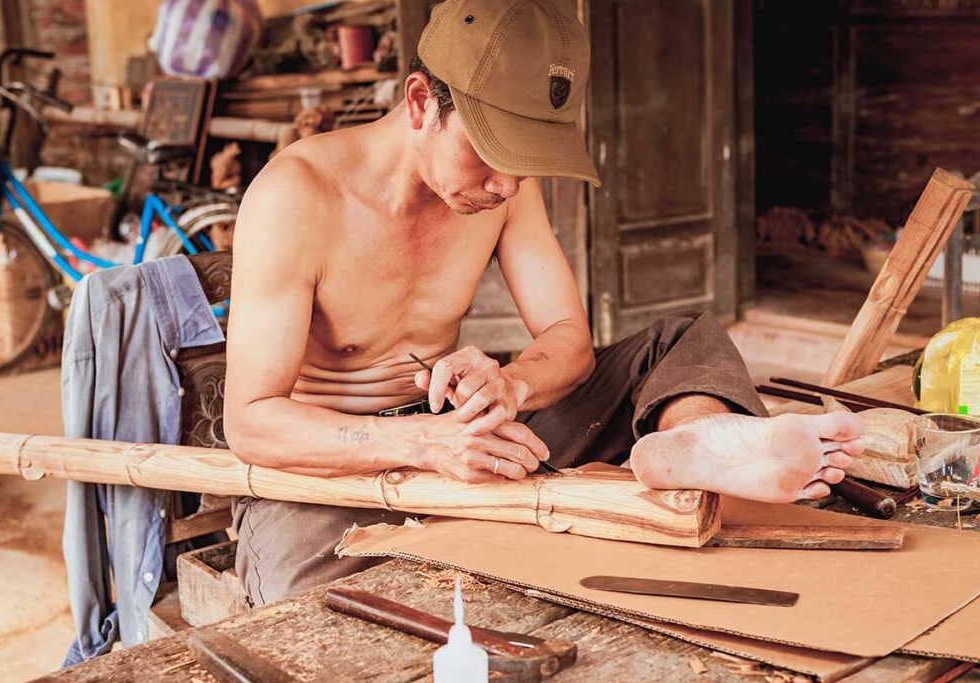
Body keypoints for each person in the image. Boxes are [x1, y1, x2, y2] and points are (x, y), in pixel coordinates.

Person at [223, 0, 865, 607]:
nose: (507, 184)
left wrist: (512, 384)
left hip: (465, 438)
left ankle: (691, 440)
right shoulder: (296, 197)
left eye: (525, 162)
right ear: (422, 102)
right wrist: (421, 441)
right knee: (327, 616)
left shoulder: (502, 189)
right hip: (324, 473)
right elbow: (250, 422)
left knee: (678, 341)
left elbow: (567, 337)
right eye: (493, 151)